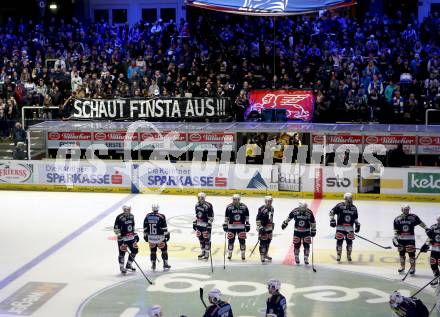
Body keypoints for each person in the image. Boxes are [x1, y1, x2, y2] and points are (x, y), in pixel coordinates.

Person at [393, 204, 428, 274]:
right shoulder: (397, 219)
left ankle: (413, 268)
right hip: (401, 239)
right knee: (401, 254)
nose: (407, 211)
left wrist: (426, 228)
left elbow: (420, 223)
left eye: (408, 209)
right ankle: (402, 267)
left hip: (410, 239)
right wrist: (395, 238)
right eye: (405, 209)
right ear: (402, 210)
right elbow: (396, 230)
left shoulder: (413, 217)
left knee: (411, 254)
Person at [329, 193, 360, 262]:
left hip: (350, 228)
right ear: (346, 199)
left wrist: (357, 224)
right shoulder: (340, 205)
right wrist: (332, 219)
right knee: (339, 242)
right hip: (340, 228)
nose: (351, 200)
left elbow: (355, 218)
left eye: (351, 198)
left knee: (349, 244)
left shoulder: (354, 208)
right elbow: (331, 212)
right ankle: (338, 255)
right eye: (350, 199)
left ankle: (349, 255)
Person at [143, 204, 171, 271]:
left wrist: (145, 235)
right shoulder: (161, 216)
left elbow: (145, 227)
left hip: (151, 237)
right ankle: (165, 263)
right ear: (158, 208)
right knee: (164, 250)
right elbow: (164, 228)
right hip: (160, 237)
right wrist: (167, 235)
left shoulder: (148, 216)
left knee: (153, 251)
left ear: (152, 208)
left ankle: (153, 264)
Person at [223, 194, 250, 261]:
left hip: (241, 226)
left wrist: (247, 224)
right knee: (230, 241)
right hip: (231, 227)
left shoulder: (244, 207)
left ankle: (243, 254)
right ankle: (230, 254)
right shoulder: (229, 207)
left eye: (235, 199)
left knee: (242, 241)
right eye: (233, 199)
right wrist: (225, 224)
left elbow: (247, 216)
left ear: (239, 200)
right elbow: (226, 217)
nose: (234, 201)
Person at [113, 205, 139, 274]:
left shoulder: (132, 216)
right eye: (128, 209)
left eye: (129, 209)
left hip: (131, 237)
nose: (129, 210)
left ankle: (129, 264)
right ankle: (122, 267)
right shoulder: (119, 217)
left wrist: (135, 234)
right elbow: (116, 229)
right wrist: (119, 236)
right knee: (122, 253)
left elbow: (132, 226)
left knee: (135, 250)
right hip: (122, 238)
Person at [193, 192, 214, 260]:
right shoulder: (197, 205)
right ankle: (203, 252)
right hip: (199, 224)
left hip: (205, 225)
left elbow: (211, 217)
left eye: (201, 198)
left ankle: (207, 253)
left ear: (204, 198)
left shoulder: (208, 205)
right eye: (199, 197)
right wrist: (195, 222)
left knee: (206, 239)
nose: (200, 199)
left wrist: (209, 224)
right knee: (200, 238)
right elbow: (197, 215)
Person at [420, 216, 440, 285]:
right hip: (434, 251)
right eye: (439, 220)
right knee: (433, 264)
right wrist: (426, 245)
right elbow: (430, 238)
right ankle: (436, 278)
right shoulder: (433, 227)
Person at [256, 196, 275, 264]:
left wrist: (272, 223)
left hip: (269, 228)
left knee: (268, 242)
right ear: (266, 201)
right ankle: (262, 256)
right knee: (263, 243)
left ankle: (265, 254)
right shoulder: (261, 209)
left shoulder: (272, 208)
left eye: (271, 201)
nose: (270, 202)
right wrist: (260, 227)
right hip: (263, 228)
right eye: (269, 201)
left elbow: (271, 217)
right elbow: (257, 219)